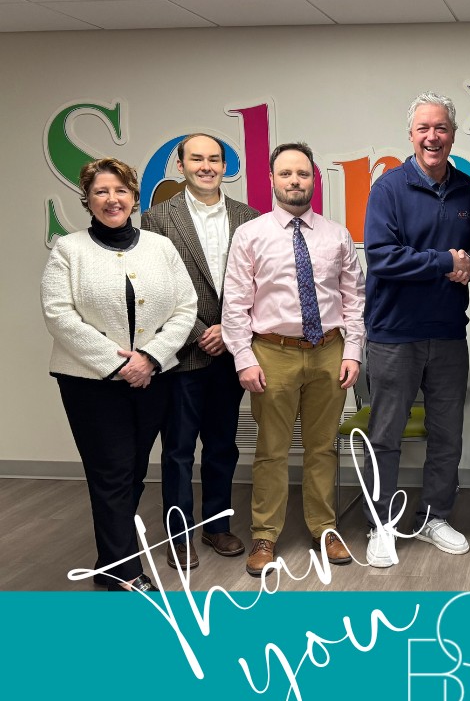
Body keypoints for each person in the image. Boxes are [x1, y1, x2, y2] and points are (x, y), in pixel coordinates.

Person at [41, 157, 197, 592]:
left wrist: (149, 358)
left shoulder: (160, 247)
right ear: (87, 201)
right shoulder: (68, 251)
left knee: (131, 472)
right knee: (110, 471)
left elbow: (185, 309)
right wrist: (119, 363)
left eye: (120, 191)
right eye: (101, 192)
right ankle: (126, 573)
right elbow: (59, 315)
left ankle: (111, 562)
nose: (112, 199)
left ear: (134, 197)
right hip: (90, 383)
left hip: (154, 377)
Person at [222, 142, 365, 576]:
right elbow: (235, 304)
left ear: (314, 180)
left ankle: (325, 528)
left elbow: (354, 298)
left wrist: (353, 352)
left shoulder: (336, 235)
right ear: (272, 180)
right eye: (286, 174)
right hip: (272, 353)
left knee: (323, 447)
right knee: (271, 450)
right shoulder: (251, 234)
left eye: (302, 174)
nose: (295, 181)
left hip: (328, 352)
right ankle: (265, 535)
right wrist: (244, 358)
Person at [361, 91, 470, 568]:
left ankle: (434, 517)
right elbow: (382, 258)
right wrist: (445, 261)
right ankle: (380, 523)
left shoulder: (469, 191)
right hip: (394, 334)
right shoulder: (388, 189)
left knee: (447, 433)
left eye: (442, 128)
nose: (433, 136)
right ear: (411, 135)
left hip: (450, 332)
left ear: (453, 134)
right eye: (424, 128)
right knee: (386, 434)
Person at [140, 133, 260, 571]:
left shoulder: (250, 217)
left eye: (214, 159)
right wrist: (197, 331)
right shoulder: (156, 219)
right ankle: (178, 535)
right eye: (197, 159)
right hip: (181, 353)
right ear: (181, 165)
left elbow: (257, 286)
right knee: (177, 449)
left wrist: (228, 331)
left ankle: (216, 524)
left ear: (226, 167)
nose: (206, 166)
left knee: (223, 445)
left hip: (231, 352)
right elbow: (154, 290)